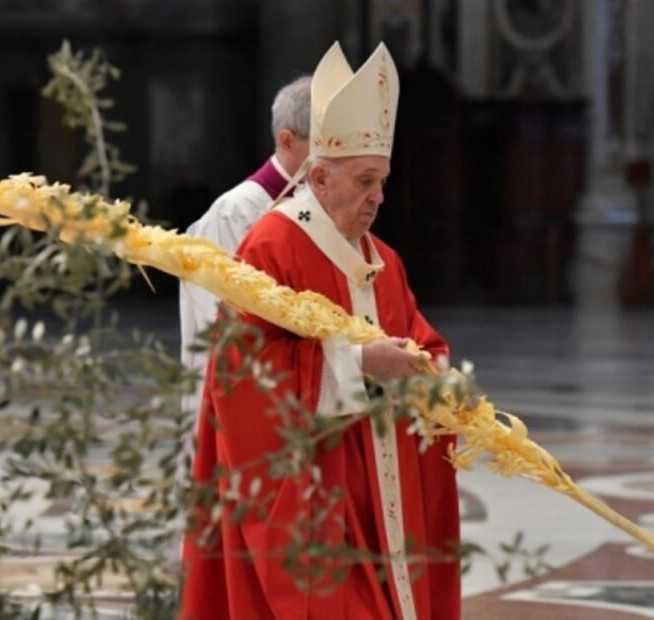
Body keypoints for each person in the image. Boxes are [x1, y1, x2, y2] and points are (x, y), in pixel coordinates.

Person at [181, 42, 461, 620]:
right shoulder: (272, 245)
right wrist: (359, 365)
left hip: (380, 501)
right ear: (319, 177)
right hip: (312, 503)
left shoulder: (382, 259)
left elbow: (421, 342)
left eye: (382, 181)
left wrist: (439, 384)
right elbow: (240, 373)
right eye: (364, 180)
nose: (378, 197)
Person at [179, 76, 311, 419]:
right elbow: (228, 333)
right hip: (240, 406)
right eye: (330, 144)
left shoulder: (326, 210)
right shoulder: (234, 214)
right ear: (287, 141)